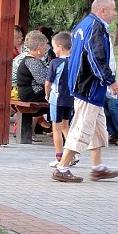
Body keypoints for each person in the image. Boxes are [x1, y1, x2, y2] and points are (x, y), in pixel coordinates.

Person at [51, 0, 118, 183]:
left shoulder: (82, 25)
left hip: (83, 84)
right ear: (102, 10)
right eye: (112, 10)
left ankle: (98, 167)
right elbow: (95, 58)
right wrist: (110, 80)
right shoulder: (96, 28)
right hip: (89, 87)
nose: (114, 14)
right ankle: (63, 167)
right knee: (82, 127)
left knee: (97, 127)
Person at [45, 31, 74, 167]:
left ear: (60, 48)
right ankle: (73, 155)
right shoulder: (74, 62)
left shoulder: (55, 62)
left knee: (56, 128)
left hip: (56, 99)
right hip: (70, 99)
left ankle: (59, 157)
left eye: (54, 47)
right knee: (65, 126)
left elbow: (48, 82)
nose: (53, 49)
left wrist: (47, 94)